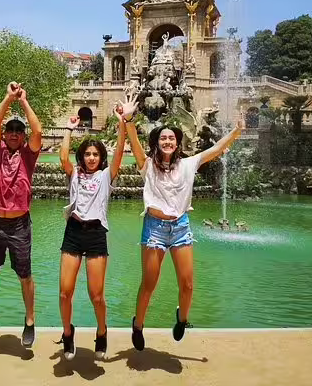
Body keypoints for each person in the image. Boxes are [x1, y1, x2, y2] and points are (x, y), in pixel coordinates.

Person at [119, 97, 244, 351]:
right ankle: (138, 325)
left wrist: (236, 131)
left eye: (171, 138)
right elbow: (133, 142)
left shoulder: (189, 164)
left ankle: (182, 319)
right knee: (149, 283)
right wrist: (130, 119)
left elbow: (216, 150)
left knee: (187, 284)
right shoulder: (147, 166)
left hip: (180, 227)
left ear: (177, 143)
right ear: (157, 143)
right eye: (163, 138)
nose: (167, 141)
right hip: (154, 227)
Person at [56, 108, 127, 360]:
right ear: (82, 156)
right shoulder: (74, 173)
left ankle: (102, 331)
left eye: (96, 154)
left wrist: (123, 123)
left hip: (96, 233)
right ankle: (67, 333)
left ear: (101, 157)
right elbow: (63, 157)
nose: (91, 157)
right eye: (87, 154)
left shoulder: (107, 175)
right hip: (74, 231)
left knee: (96, 295)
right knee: (65, 292)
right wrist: (68, 129)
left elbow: (119, 152)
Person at [0, 81, 42, 347]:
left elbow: (38, 130)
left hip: (19, 225)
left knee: (24, 275)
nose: (14, 133)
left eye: (19, 130)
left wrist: (24, 101)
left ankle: (29, 320)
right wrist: (7, 98)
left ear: (23, 135)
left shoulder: (29, 155)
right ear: (5, 134)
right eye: (10, 130)